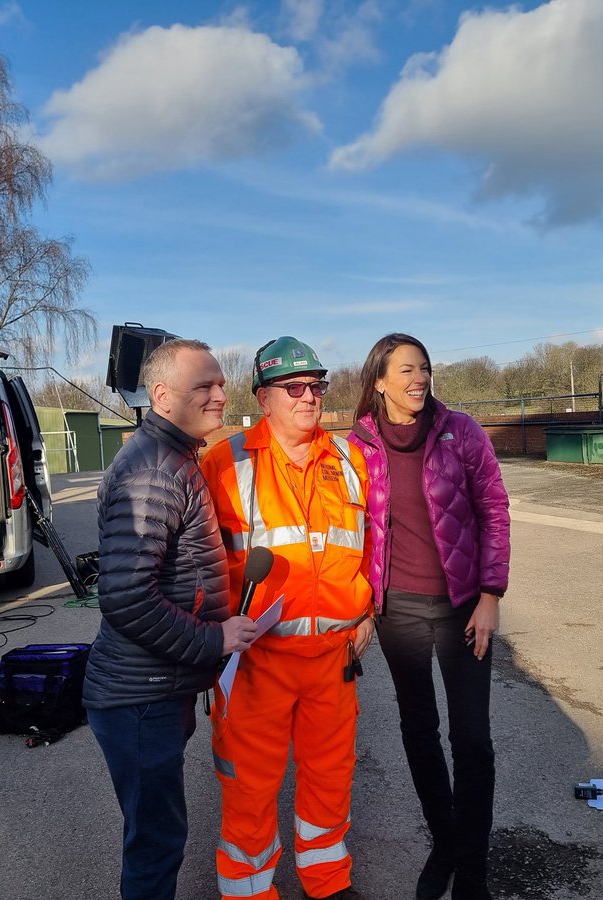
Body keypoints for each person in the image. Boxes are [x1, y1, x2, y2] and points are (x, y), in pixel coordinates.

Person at [82, 339, 258, 900]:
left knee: (157, 835)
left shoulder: (174, 456)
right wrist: (215, 639)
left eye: (220, 383)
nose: (219, 394)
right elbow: (127, 598)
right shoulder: (155, 469)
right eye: (203, 385)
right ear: (161, 395)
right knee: (156, 843)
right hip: (139, 699)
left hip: (156, 689)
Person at [201, 335, 374, 900]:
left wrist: (368, 608)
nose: (308, 397)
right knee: (249, 786)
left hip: (333, 661)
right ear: (264, 396)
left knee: (330, 779)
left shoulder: (348, 459)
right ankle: (250, 891)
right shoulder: (223, 463)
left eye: (316, 387)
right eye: (293, 387)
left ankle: (327, 881)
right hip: (255, 663)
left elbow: (374, 542)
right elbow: (192, 560)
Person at [348, 333, 510, 900]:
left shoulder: (460, 431)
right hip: (399, 609)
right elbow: (355, 531)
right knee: (419, 731)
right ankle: (446, 842)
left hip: (464, 606)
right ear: (380, 382)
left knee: (473, 741)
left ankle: (472, 874)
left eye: (424, 368)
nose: (419, 378)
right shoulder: (357, 446)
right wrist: (365, 607)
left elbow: (493, 507)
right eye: (407, 369)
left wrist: (491, 593)